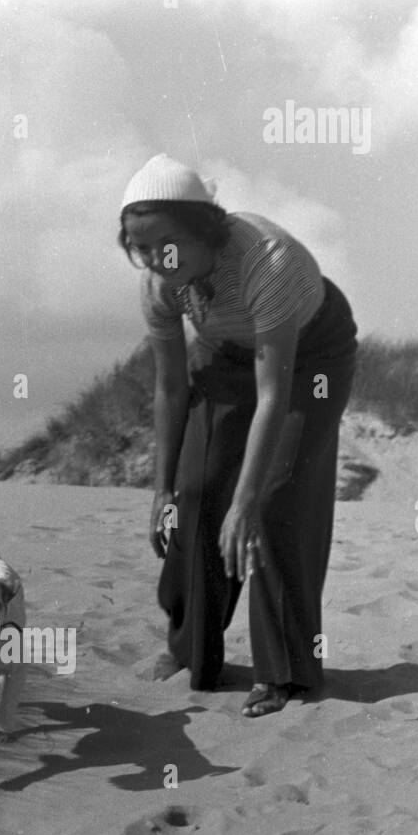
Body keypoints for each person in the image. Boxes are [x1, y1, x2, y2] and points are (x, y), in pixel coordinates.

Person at [119, 155, 357, 716]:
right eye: (140, 248)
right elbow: (171, 388)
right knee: (197, 492)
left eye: (166, 243)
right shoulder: (161, 284)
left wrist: (246, 500)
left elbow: (272, 394)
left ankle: (287, 674)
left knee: (275, 503)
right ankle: (192, 649)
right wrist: (162, 492)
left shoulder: (269, 263)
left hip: (310, 359)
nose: (155, 259)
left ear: (206, 230)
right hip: (227, 352)